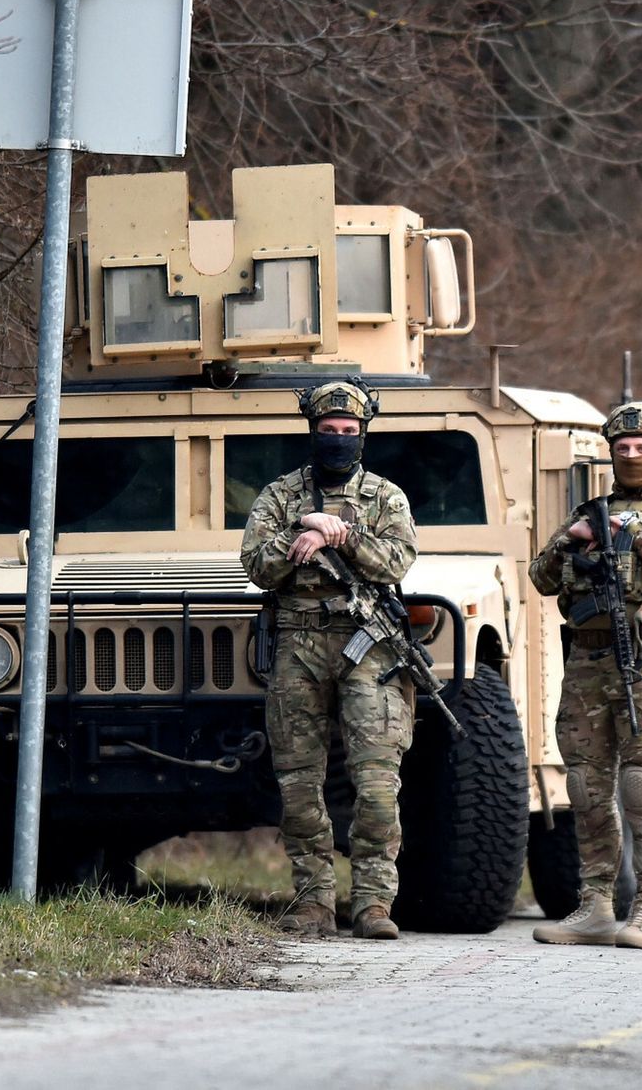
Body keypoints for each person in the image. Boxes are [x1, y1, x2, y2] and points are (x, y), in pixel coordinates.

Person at [528, 400, 642, 950]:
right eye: (622, 448)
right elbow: (540, 579)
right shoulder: (591, 510)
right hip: (586, 660)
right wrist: (574, 539)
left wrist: (637, 532)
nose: (631, 455)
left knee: (640, 783)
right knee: (585, 786)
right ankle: (596, 905)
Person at [240, 380, 418, 940]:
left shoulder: (386, 497)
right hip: (297, 646)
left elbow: (396, 563)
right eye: (328, 431)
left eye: (348, 432)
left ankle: (372, 903)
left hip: (368, 646)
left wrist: (341, 537)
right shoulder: (279, 496)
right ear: (313, 432)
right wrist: (304, 527)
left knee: (377, 783)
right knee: (297, 782)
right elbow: (256, 567)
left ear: (362, 435)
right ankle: (313, 900)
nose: (338, 439)